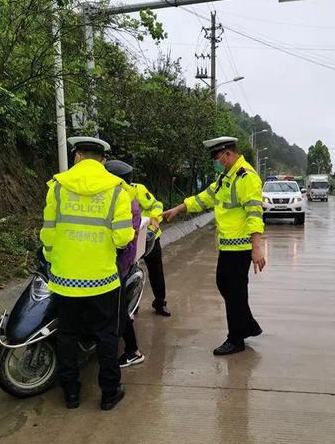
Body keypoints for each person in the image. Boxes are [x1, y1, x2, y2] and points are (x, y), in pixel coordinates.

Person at [39, 136, 133, 410]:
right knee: (106, 335)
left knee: (67, 334)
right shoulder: (117, 190)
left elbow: (48, 232)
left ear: (77, 156)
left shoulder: (57, 187)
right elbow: (122, 237)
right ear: (103, 160)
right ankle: (109, 393)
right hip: (102, 280)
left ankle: (71, 393)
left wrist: (51, 257)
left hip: (65, 279)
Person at [163, 137, 266, 356]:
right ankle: (247, 324)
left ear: (227, 154)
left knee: (234, 291)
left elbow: (255, 213)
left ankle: (236, 339)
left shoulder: (246, 177)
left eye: (217, 157)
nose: (215, 162)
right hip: (228, 245)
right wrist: (179, 209)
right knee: (226, 286)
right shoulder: (225, 177)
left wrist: (256, 247)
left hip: (240, 247)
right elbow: (205, 198)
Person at [104, 159, 146, 368]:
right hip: (117, 260)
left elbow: (120, 239)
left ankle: (133, 351)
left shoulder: (125, 202)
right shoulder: (124, 197)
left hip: (118, 263)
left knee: (118, 309)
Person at [132, 182, 171, 317]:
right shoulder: (110, 189)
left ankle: (160, 302)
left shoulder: (137, 189)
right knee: (127, 273)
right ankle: (131, 303)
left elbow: (156, 204)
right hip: (128, 237)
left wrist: (154, 218)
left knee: (156, 270)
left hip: (148, 235)